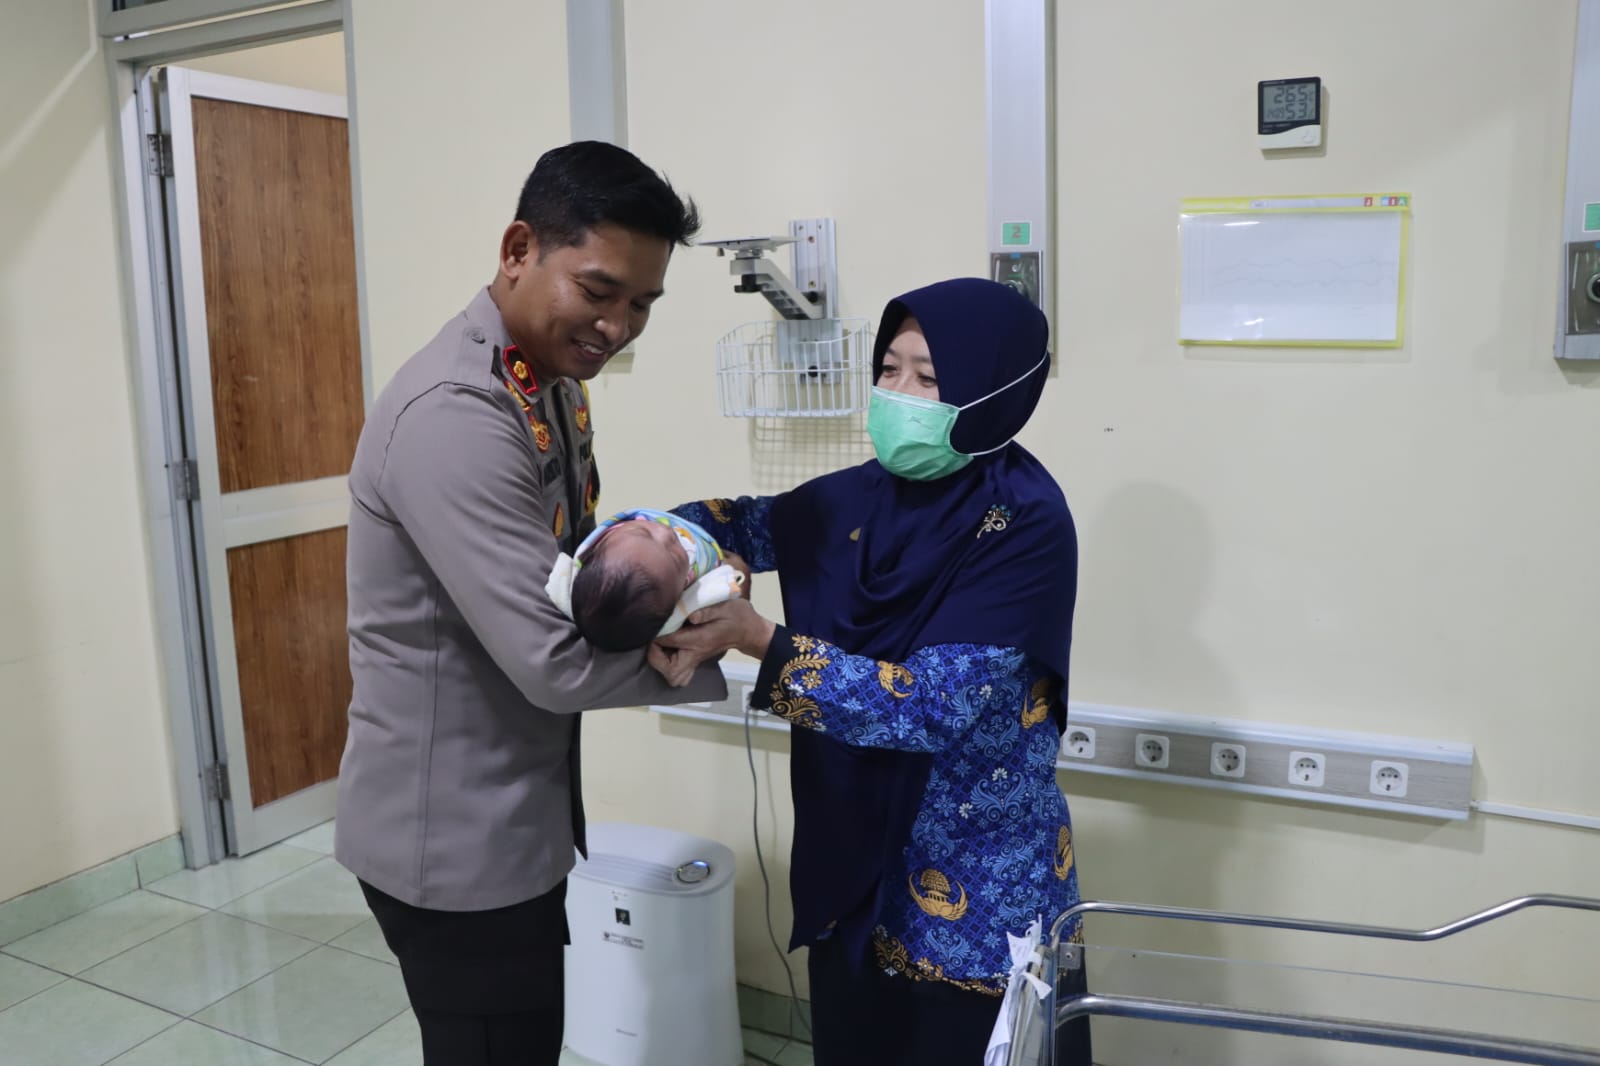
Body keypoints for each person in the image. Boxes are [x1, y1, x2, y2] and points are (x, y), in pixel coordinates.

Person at [335, 141, 727, 1066]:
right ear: (519, 249)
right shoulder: (455, 414)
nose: (618, 327)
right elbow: (553, 660)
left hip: (515, 819)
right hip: (457, 848)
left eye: (642, 304)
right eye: (599, 291)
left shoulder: (543, 381)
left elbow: (568, 570)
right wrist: (719, 652)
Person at [652, 278, 1093, 1065]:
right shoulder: (859, 499)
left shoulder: (1024, 523)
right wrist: (661, 551)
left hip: (973, 890)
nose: (898, 395)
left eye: (928, 378)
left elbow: (929, 707)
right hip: (855, 868)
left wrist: (760, 638)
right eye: (888, 369)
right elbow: (740, 522)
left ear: (994, 394)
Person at [544, 507, 747, 651]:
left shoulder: (601, 549)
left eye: (643, 531)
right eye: (675, 557)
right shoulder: (695, 588)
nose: (666, 533)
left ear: (605, 538)